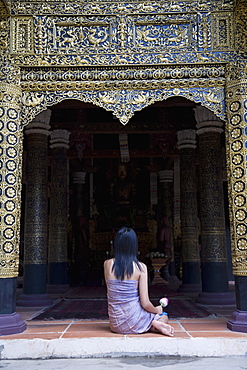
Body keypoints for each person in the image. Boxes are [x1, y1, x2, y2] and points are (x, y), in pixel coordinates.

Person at [104, 227, 174, 336]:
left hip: (116, 324)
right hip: (135, 320)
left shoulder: (107, 264)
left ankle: (153, 325)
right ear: (134, 245)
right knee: (164, 315)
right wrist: (157, 310)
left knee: (148, 315)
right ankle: (157, 323)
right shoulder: (141, 267)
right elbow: (145, 303)